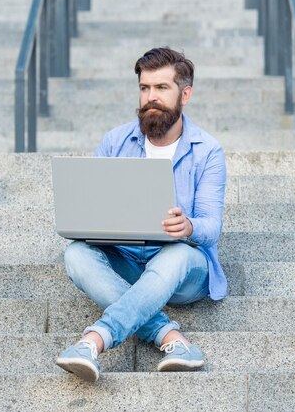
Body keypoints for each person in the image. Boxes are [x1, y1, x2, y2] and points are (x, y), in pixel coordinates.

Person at [55, 47, 227, 382]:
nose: (151, 97)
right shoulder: (115, 141)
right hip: (128, 260)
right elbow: (90, 203)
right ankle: (171, 338)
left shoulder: (208, 152)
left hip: (183, 271)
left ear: (185, 94)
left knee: (175, 255)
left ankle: (95, 339)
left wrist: (188, 226)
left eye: (162, 88)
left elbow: (212, 226)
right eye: (145, 88)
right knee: (76, 254)